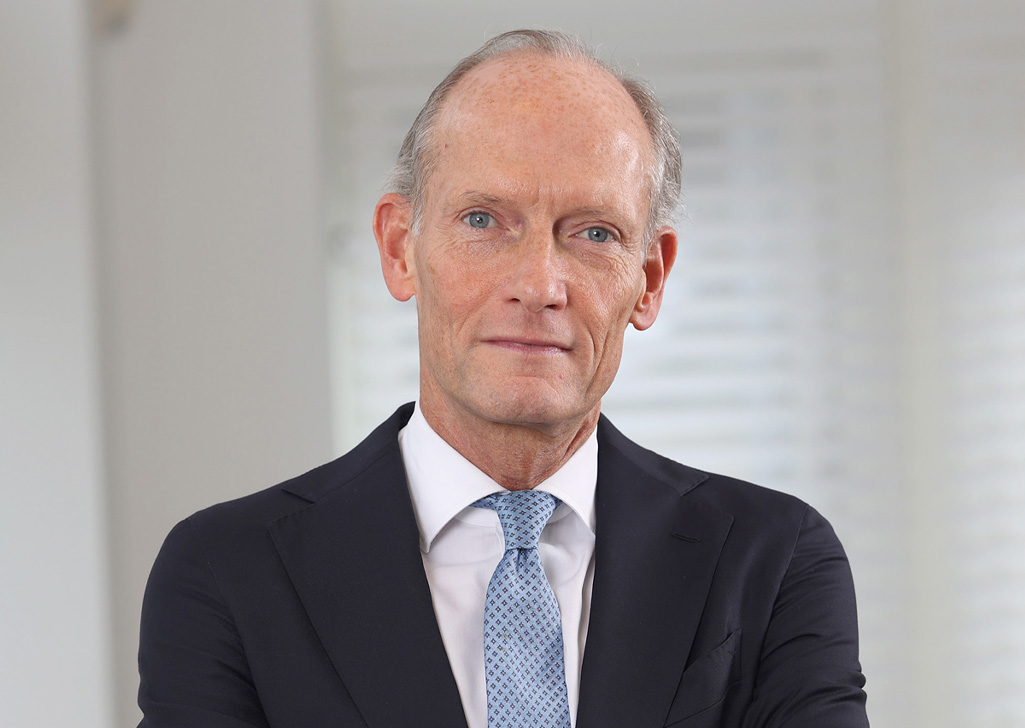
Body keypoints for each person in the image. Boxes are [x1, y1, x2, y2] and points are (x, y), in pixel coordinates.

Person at [136, 29, 869, 728]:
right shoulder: (228, 572)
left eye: (594, 233)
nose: (539, 285)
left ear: (649, 281)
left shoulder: (774, 560)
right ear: (399, 249)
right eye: (484, 220)